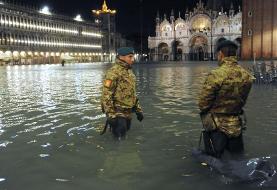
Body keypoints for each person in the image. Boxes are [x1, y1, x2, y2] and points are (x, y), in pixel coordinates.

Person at [198, 40, 253, 158]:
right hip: (237, 126)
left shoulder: (216, 74)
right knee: (237, 160)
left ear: (221, 54)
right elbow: (242, 101)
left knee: (215, 162)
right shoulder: (247, 75)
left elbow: (203, 104)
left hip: (217, 128)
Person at [101, 47, 144, 139]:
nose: (133, 59)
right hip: (117, 112)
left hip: (128, 112)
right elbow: (106, 94)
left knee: (125, 135)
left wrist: (138, 110)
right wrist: (111, 115)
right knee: (119, 138)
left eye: (133, 56)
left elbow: (133, 93)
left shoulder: (129, 72)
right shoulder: (113, 72)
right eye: (130, 57)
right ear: (121, 57)